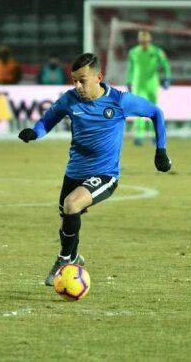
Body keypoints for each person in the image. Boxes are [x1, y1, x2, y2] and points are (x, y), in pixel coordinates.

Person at [18, 53, 172, 286]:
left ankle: (64, 260)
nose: (78, 86)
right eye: (74, 80)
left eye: (83, 80)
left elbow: (156, 113)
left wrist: (161, 150)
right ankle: (74, 256)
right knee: (67, 220)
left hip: (105, 174)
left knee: (72, 204)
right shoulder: (69, 100)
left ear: (98, 77)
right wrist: (35, 133)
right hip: (74, 171)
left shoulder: (120, 101)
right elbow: (48, 121)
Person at [125, 30, 171, 146]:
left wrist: (167, 77)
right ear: (139, 41)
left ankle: (154, 136)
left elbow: (165, 64)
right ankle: (139, 136)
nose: (144, 43)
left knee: (152, 110)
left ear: (149, 41)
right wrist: (129, 82)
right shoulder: (133, 52)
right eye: (142, 41)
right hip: (138, 84)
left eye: (146, 41)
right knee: (139, 109)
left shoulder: (156, 52)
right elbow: (130, 68)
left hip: (152, 84)